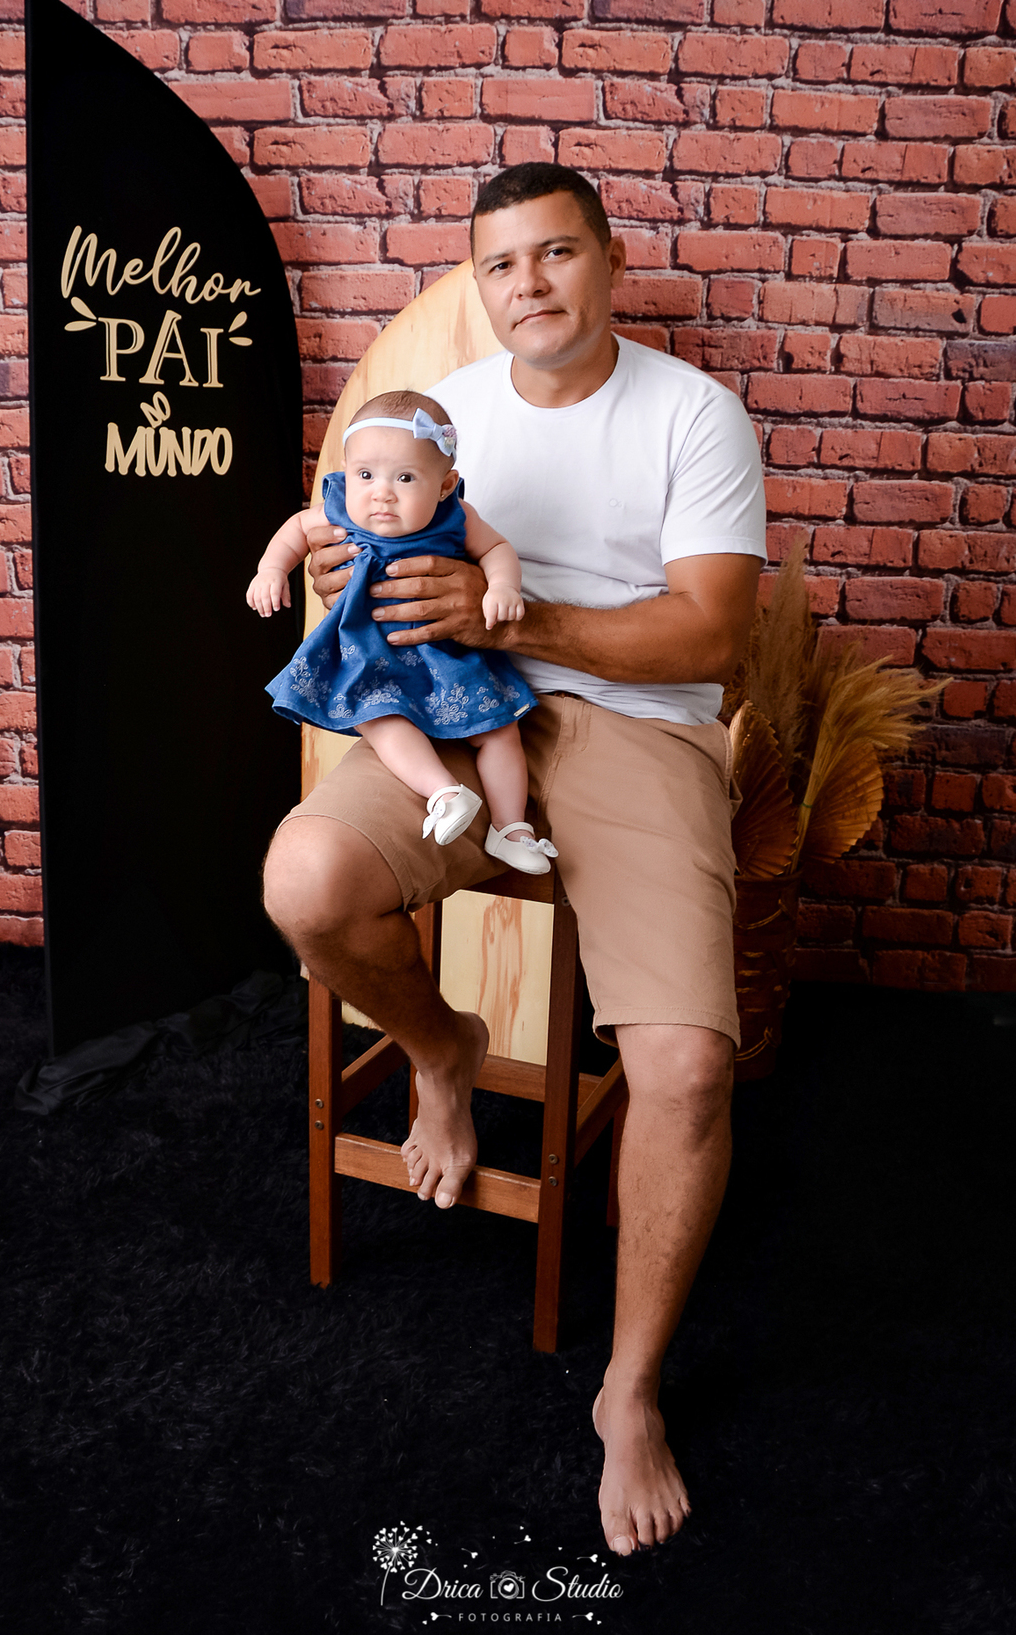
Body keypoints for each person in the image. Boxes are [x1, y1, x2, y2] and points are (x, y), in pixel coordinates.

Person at [262, 163, 766, 1557]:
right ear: (476, 287)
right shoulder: (438, 419)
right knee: (302, 883)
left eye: (555, 255)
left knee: (683, 1065)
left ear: (607, 262)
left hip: (631, 730)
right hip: (446, 721)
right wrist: (335, 582)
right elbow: (341, 542)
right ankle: (440, 1049)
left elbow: (713, 640)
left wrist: (515, 622)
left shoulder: (693, 415)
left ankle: (629, 1390)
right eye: (500, 265)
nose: (528, 285)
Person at [247, 391, 558, 875]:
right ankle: (443, 792)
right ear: (346, 473)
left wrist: (502, 585)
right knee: (380, 716)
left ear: (443, 485)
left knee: (500, 730)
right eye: (365, 475)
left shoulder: (458, 517)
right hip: (371, 654)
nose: (382, 492)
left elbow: (497, 548)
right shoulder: (338, 512)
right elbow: (294, 531)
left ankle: (510, 827)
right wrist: (271, 570)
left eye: (406, 477)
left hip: (449, 654)